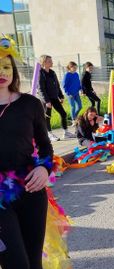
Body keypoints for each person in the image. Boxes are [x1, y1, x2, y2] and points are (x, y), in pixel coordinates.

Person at [0, 37, 54, 269]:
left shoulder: (31, 104)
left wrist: (44, 168)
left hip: (31, 190)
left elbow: (45, 146)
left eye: (6, 67)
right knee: (15, 264)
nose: (2, 72)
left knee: (33, 263)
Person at [38, 55, 75, 141]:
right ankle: (49, 134)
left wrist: (61, 96)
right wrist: (47, 101)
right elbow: (41, 89)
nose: (52, 62)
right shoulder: (41, 73)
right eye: (49, 61)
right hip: (46, 99)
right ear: (44, 62)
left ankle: (66, 133)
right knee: (48, 116)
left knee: (63, 113)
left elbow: (57, 85)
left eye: (51, 61)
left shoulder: (52, 72)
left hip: (54, 97)